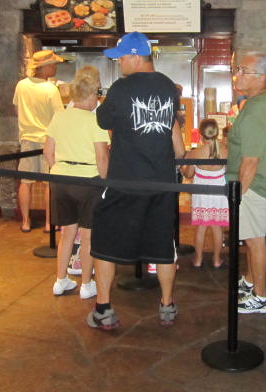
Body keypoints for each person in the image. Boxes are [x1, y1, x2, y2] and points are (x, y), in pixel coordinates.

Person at [89, 32, 186, 330]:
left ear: (134, 56)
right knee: (163, 244)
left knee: (104, 240)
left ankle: (103, 309)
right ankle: (167, 305)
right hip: (162, 182)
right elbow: (172, 128)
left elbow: (103, 120)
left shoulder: (121, 88)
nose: (119, 63)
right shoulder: (169, 86)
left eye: (120, 58)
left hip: (125, 181)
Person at [227, 52, 266, 314]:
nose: (237, 75)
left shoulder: (254, 109)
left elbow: (250, 161)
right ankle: (252, 281)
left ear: (262, 78)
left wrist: (237, 195)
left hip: (254, 186)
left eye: (244, 71)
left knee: (254, 240)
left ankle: (260, 296)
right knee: (256, 238)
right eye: (238, 70)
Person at [43, 68, 110, 298]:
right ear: (90, 95)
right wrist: (105, 182)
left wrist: (59, 169)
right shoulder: (95, 121)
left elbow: (48, 151)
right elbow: (102, 157)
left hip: (60, 180)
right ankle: (87, 284)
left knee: (67, 233)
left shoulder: (59, 116)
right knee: (88, 235)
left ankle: (60, 280)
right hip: (88, 181)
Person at [13, 50, 64, 233]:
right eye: (53, 64)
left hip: (27, 139)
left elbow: (17, 110)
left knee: (26, 182)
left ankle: (25, 222)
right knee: (50, 184)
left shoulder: (21, 86)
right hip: (47, 141)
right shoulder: (51, 89)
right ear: (45, 67)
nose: (55, 67)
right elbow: (59, 117)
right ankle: (50, 223)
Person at [180, 118, 229, 269]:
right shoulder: (226, 152)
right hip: (219, 194)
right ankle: (216, 260)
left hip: (201, 194)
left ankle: (198, 259)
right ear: (217, 133)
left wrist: (181, 168)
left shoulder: (195, 153)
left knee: (201, 227)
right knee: (217, 227)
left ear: (201, 135)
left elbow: (188, 174)